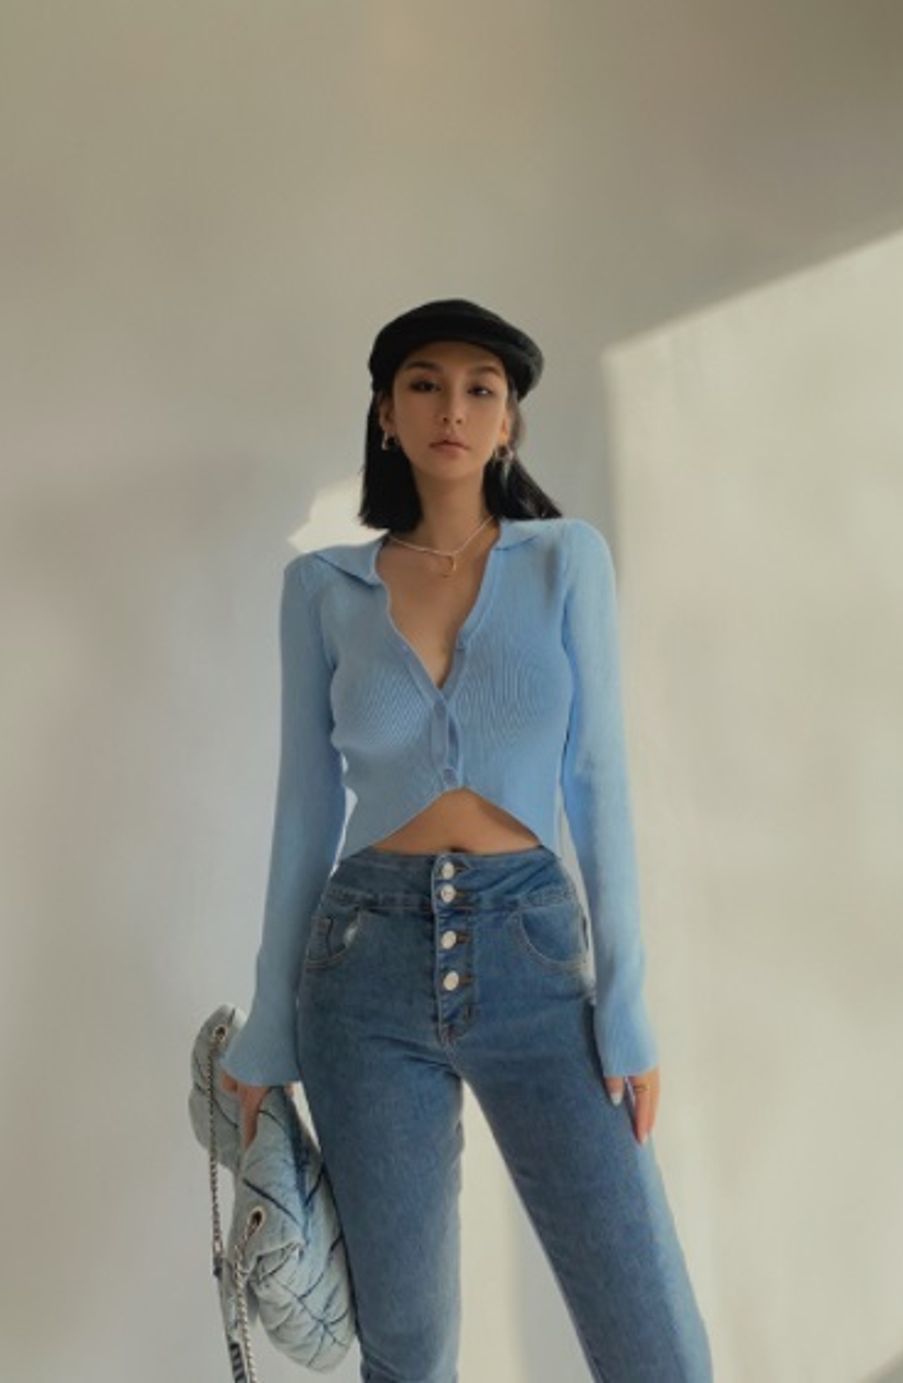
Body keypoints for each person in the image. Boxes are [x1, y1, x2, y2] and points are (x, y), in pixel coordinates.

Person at [219, 298, 713, 1381]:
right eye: (425, 384)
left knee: (652, 1339)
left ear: (508, 423)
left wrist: (625, 1002)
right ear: (385, 414)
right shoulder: (322, 589)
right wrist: (269, 1025)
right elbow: (305, 809)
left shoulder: (566, 561)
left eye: (480, 388)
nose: (453, 407)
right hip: (361, 972)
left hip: (533, 957)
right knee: (408, 1351)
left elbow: (597, 780)